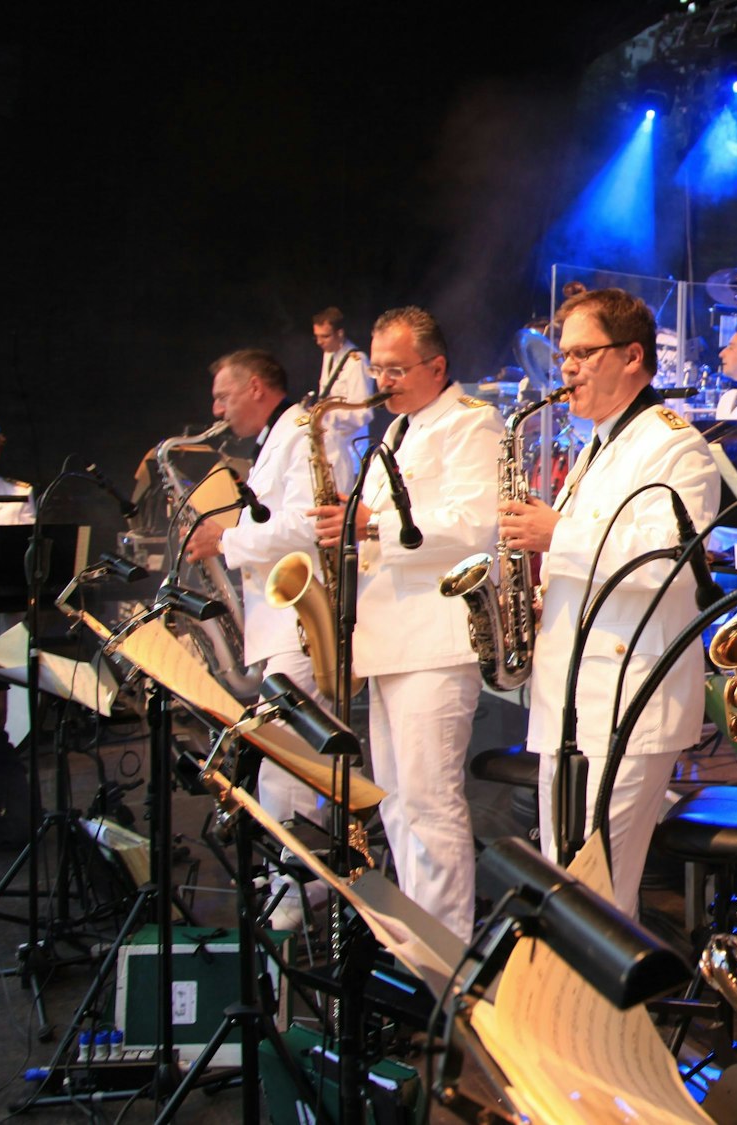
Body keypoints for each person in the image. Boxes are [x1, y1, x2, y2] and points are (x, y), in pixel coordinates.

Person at [499, 289, 716, 915]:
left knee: (597, 899)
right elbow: (595, 565)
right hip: (570, 695)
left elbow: (674, 564)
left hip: (627, 698)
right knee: (564, 886)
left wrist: (556, 535)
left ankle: (602, 1015)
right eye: (564, 354)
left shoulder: (675, 445)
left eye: (583, 353)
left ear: (632, 357)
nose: (565, 368)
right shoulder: (596, 444)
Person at [314, 306, 501, 937]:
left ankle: (447, 958)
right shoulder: (396, 432)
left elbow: (476, 526)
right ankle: (415, 940)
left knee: (429, 802)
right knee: (396, 804)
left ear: (437, 366)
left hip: (436, 641)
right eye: (379, 368)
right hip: (390, 639)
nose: (382, 381)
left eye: (396, 369)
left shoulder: (471, 423)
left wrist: (371, 525)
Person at [183, 349, 325, 919]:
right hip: (281, 620)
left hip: (298, 619)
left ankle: (295, 887)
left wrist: (226, 538)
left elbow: (306, 523)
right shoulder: (277, 436)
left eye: (224, 396)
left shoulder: (298, 431)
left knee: (284, 754)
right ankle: (297, 879)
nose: (216, 409)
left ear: (259, 387)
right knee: (285, 753)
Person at [312, 307, 378, 489]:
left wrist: (325, 415)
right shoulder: (328, 355)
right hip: (330, 448)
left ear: (340, 333)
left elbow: (363, 414)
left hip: (350, 451)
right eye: (316, 336)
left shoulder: (357, 362)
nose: (319, 342)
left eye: (324, 336)